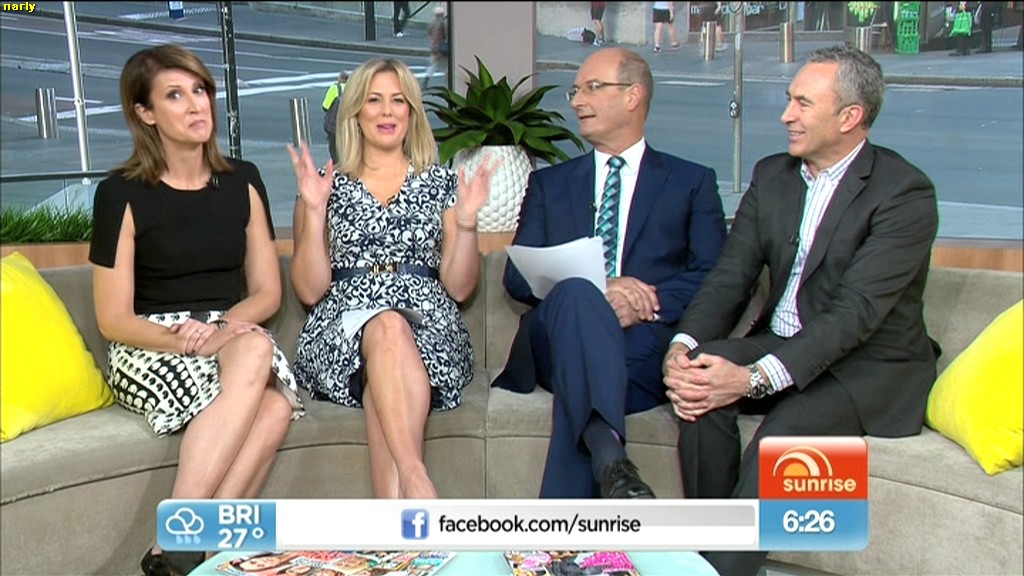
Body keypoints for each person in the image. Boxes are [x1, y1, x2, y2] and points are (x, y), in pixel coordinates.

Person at [664, 45, 939, 576]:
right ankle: (708, 556)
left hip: (866, 365)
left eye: (803, 103)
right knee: (699, 388)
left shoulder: (904, 193)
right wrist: (684, 345)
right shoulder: (773, 176)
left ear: (849, 117)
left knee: (784, 435)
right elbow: (730, 277)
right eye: (789, 100)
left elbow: (856, 313)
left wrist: (750, 378)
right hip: (785, 341)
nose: (786, 115)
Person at [89, 44, 304, 576]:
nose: (196, 105)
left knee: (263, 375)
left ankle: (183, 550)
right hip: (151, 343)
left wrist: (219, 329)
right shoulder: (119, 194)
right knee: (271, 402)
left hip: (228, 331)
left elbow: (267, 293)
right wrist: (184, 338)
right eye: (175, 95)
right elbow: (113, 318)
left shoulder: (243, 180)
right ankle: (191, 544)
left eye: (201, 90)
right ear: (145, 113)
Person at [494, 47, 727, 499]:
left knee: (590, 375)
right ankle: (610, 463)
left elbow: (713, 273)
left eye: (592, 88)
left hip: (641, 342)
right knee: (579, 294)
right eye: (575, 91)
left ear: (633, 96)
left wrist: (643, 301)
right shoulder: (549, 184)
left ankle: (606, 460)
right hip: (554, 338)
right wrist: (604, 288)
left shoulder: (691, 182)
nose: (577, 101)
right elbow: (518, 278)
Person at [287, 58, 500, 499]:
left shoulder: (443, 184)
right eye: (374, 100)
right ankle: (415, 475)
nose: (387, 112)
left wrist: (466, 222)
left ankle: (396, 515)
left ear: (411, 113)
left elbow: (460, 288)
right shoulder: (323, 186)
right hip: (343, 326)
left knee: (384, 363)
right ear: (355, 113)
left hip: (428, 324)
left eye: (398, 101)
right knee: (385, 326)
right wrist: (314, 209)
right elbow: (308, 290)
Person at [322, 71, 348, 165]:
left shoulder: (335, 88)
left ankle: (337, 167)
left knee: (334, 149)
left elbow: (325, 106)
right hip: (349, 125)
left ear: (340, 79)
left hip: (334, 126)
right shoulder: (354, 89)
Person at [422, 5, 448, 89]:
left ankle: (426, 79)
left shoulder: (432, 23)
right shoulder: (443, 23)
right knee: (448, 66)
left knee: (433, 65)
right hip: (442, 48)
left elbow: (429, 33)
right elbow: (446, 35)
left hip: (433, 48)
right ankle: (449, 83)